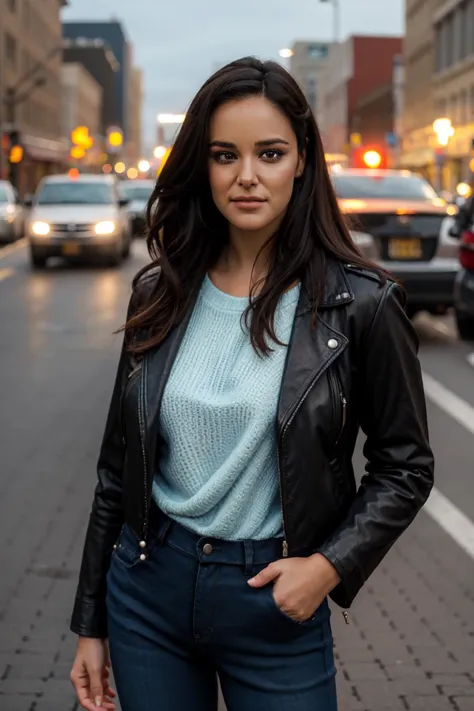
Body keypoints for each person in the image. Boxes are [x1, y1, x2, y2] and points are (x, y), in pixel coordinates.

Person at [69, 57, 434, 711]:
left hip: (273, 598)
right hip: (147, 590)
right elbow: (116, 469)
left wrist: (328, 566)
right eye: (223, 155)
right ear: (200, 166)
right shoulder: (160, 291)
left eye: (269, 153)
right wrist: (90, 621)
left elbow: (405, 464)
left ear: (300, 160)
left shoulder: (361, 304)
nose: (246, 176)